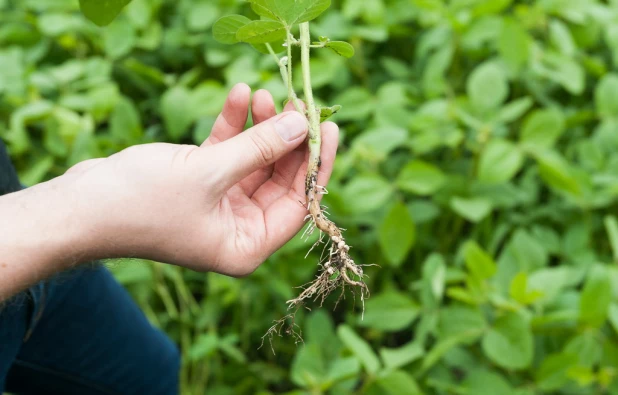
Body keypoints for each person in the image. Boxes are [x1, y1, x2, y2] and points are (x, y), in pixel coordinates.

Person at [0, 83, 339, 394]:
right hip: (29, 236)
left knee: (151, 374)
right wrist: (93, 210)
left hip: (21, 214)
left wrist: (67, 206)